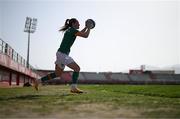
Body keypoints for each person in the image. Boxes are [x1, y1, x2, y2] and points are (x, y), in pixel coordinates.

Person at [34, 18, 92, 93]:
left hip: (60, 53)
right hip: (63, 54)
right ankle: (73, 87)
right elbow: (85, 35)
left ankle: (38, 81)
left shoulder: (71, 30)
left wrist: (86, 27)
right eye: (78, 23)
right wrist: (89, 28)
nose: (79, 24)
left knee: (57, 74)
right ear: (73, 24)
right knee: (77, 68)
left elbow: (80, 33)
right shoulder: (73, 30)